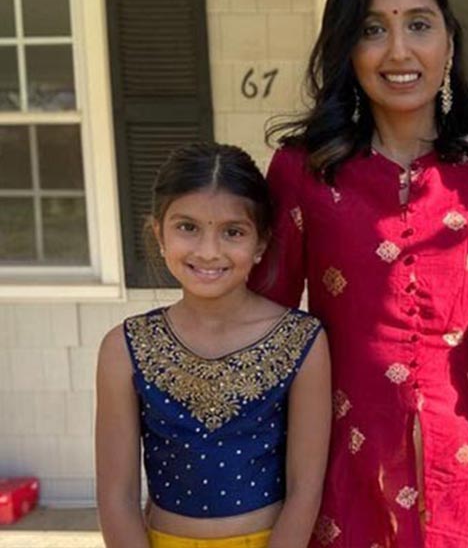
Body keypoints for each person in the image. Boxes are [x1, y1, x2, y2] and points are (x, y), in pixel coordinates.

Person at [250, 0, 468, 545]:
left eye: (419, 24)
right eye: (372, 29)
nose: (399, 51)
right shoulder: (305, 173)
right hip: (342, 473)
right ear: (347, 49)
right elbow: (266, 325)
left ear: (449, 42)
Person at [95, 143, 332, 548]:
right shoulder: (125, 347)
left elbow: (304, 489)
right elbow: (116, 497)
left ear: (260, 243)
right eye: (187, 227)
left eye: (233, 232)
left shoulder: (301, 341)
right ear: (159, 233)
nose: (208, 251)